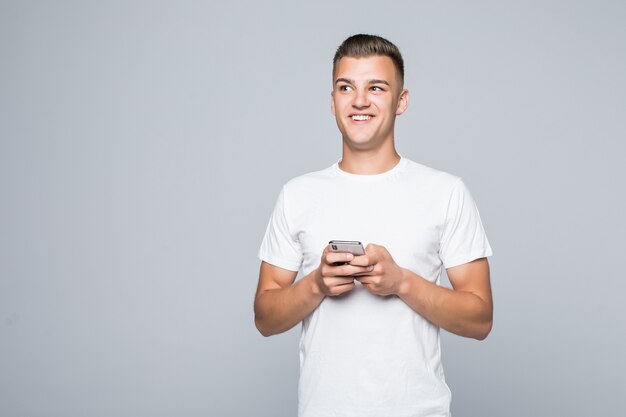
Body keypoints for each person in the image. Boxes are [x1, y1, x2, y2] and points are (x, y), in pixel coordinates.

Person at [254, 34, 493, 417]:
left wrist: (401, 282)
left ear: (401, 102)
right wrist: (316, 284)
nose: (360, 100)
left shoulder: (446, 192)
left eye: (376, 88)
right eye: (346, 87)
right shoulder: (297, 194)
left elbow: (480, 319)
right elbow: (265, 318)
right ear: (332, 102)